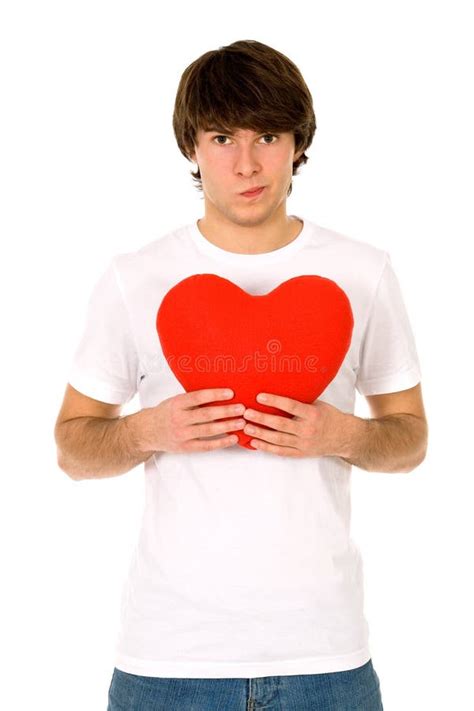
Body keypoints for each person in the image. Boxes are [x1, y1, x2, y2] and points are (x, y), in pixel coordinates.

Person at [54, 39, 428, 711]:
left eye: (269, 135)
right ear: (192, 147)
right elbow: (73, 447)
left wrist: (345, 435)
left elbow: (410, 438)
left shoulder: (363, 272)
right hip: (168, 660)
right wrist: (148, 428)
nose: (248, 163)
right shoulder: (134, 278)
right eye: (223, 136)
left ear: (297, 144)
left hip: (327, 658)